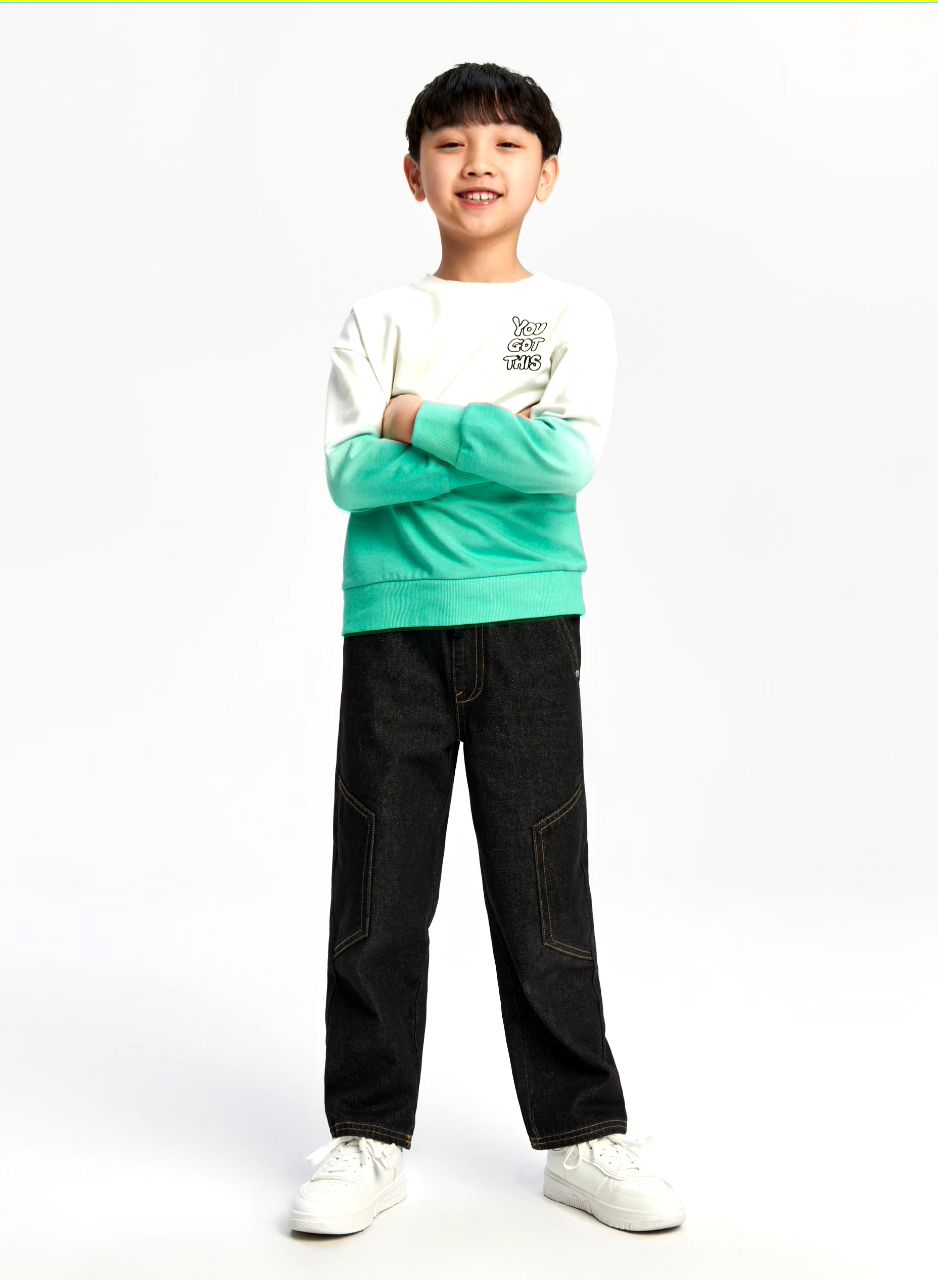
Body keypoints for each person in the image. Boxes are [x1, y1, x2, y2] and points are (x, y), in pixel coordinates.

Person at [289, 61, 686, 1238]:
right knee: (378, 889)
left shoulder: (571, 317)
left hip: (528, 630)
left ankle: (582, 1133)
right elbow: (348, 473)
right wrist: (492, 441)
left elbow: (566, 461)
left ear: (546, 175)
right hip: (394, 628)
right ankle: (366, 1135)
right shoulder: (380, 318)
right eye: (452, 143)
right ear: (414, 174)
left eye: (507, 144)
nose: (478, 162)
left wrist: (419, 417)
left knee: (542, 882)